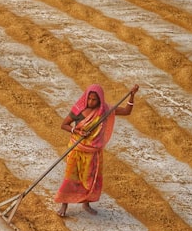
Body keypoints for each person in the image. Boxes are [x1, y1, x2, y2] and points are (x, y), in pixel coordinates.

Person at [55, 83, 138, 217]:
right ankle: (64, 204)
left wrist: (132, 96)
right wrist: (74, 130)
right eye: (89, 98)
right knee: (71, 177)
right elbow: (64, 125)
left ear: (100, 99)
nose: (91, 102)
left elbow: (127, 111)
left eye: (94, 99)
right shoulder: (78, 110)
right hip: (77, 148)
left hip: (93, 152)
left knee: (90, 178)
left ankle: (86, 203)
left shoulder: (105, 111)